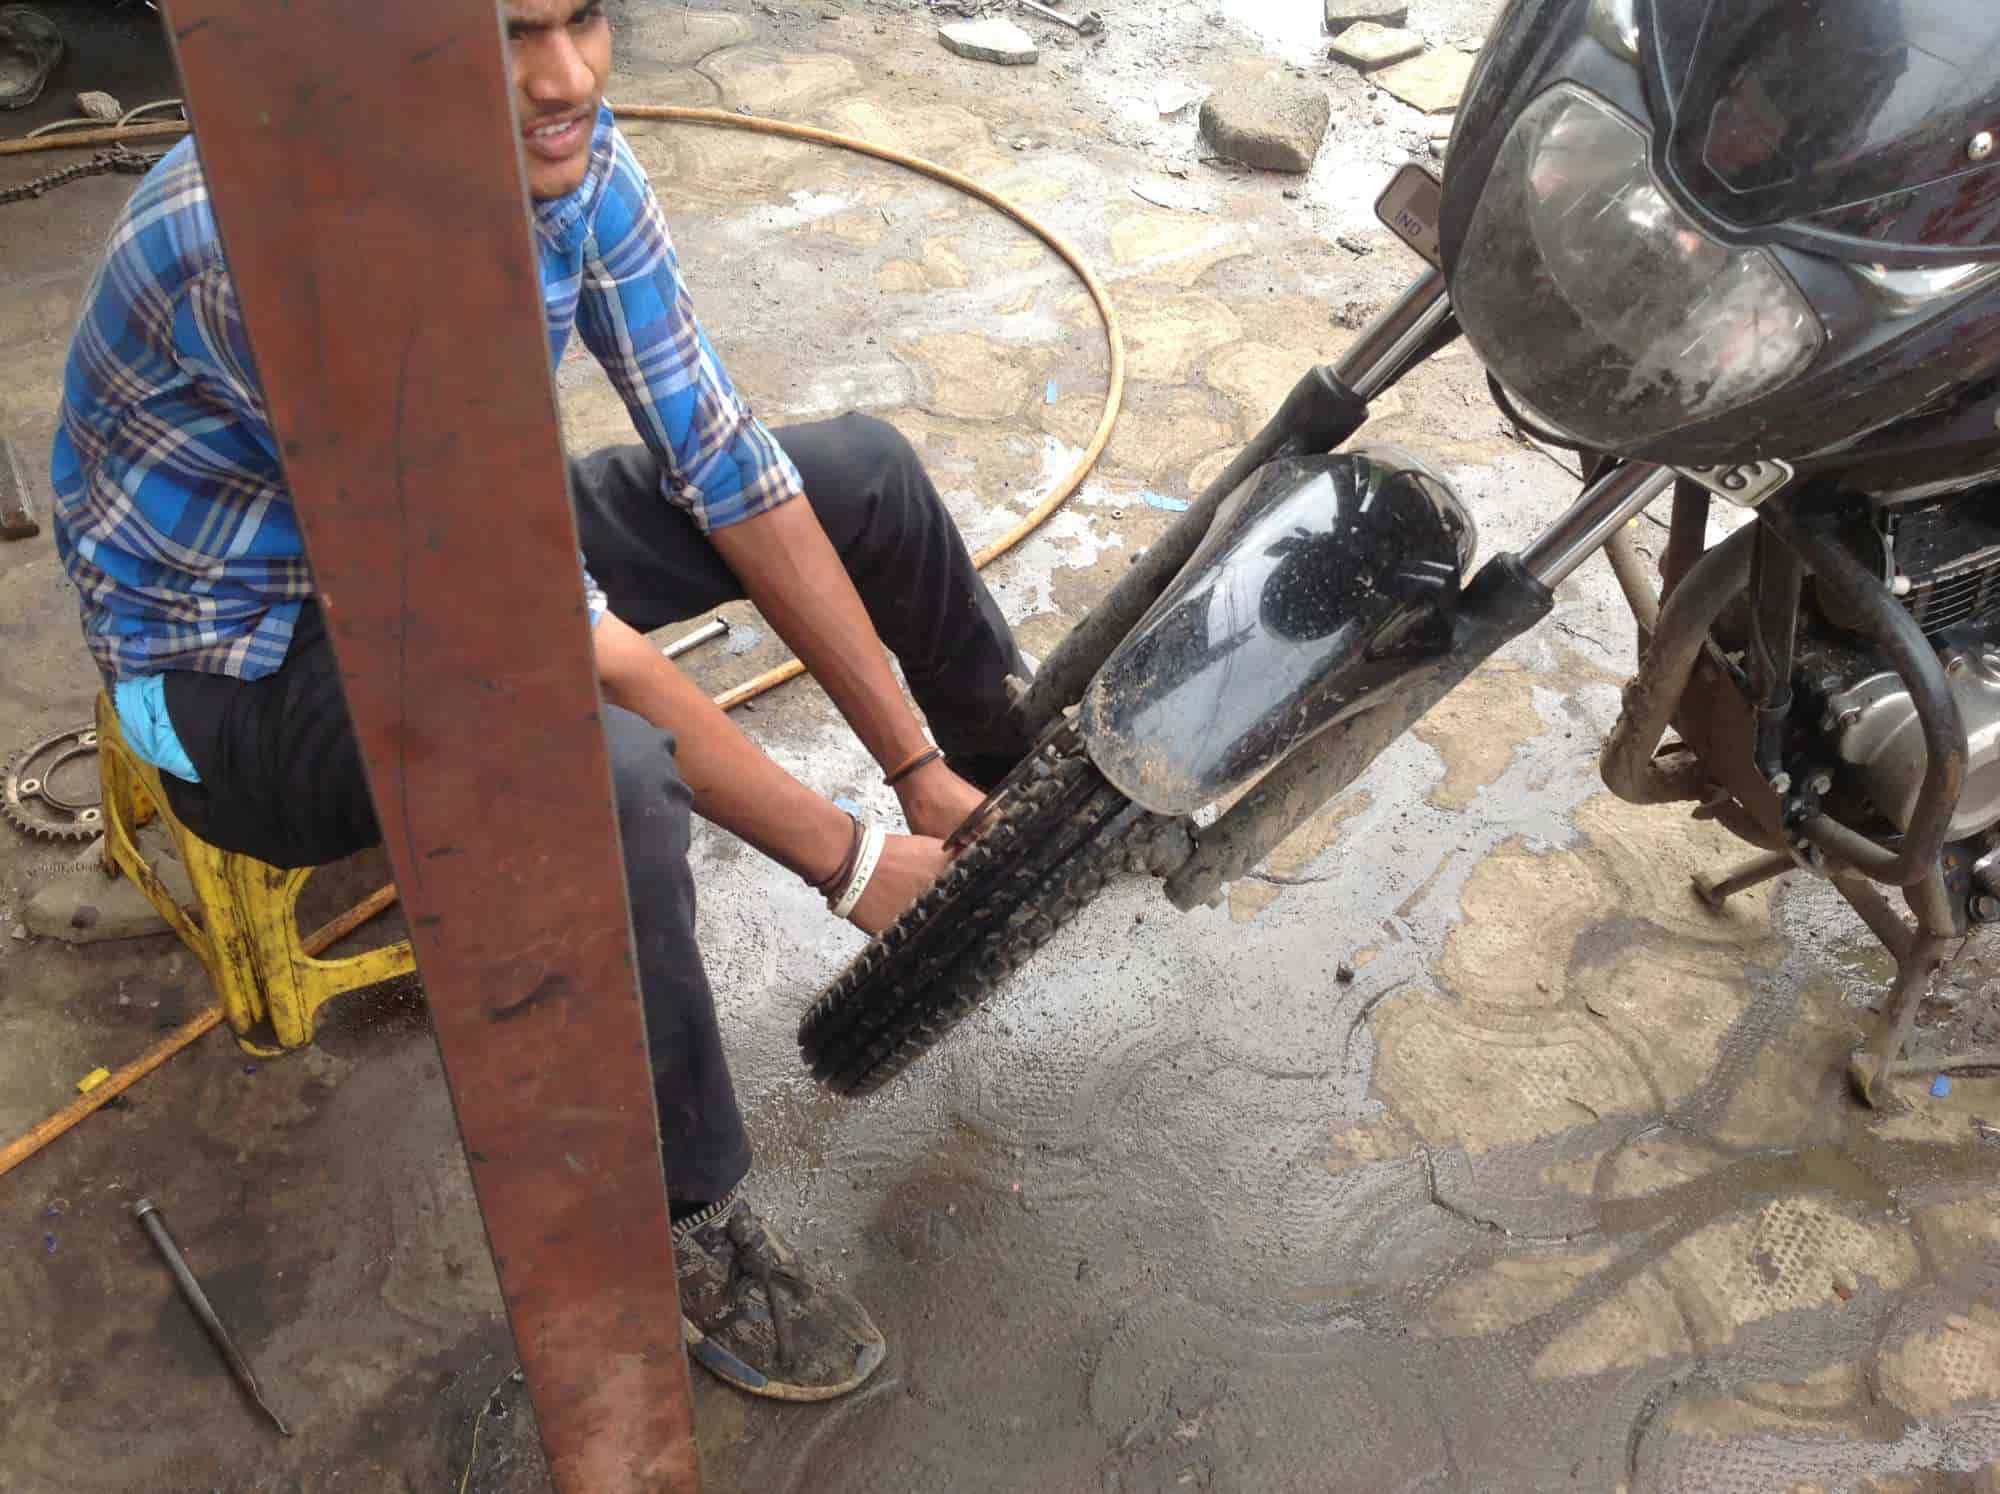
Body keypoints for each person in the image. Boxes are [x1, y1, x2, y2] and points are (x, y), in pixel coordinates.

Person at [49, 0, 1031, 1402]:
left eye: (582, 19)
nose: (564, 77)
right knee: (610, 778)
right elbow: (558, 642)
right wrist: (852, 861)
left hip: (427, 527)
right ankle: (686, 1222)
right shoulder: (287, 238)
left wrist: (919, 773)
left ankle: (1009, 823)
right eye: (513, 35)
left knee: (860, 474)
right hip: (228, 675)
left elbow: (723, 459)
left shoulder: (559, 144)